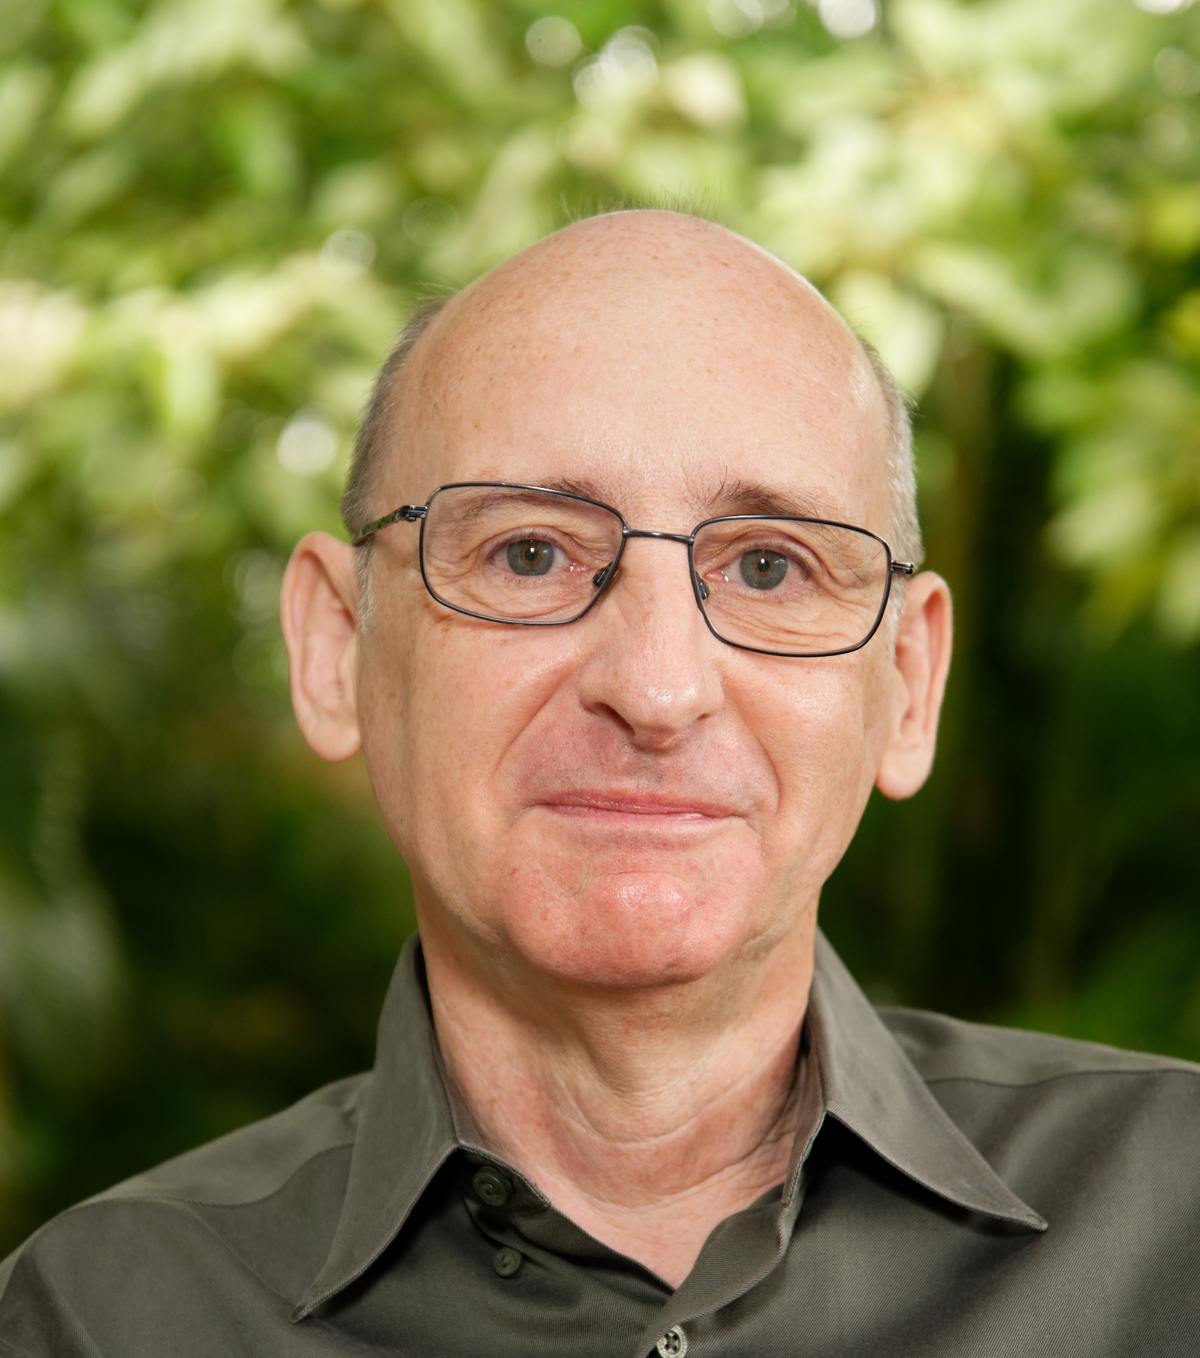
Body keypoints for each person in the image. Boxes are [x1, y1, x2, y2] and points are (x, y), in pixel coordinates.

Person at [1, 210, 1197, 1358]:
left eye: (769, 567)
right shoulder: (98, 1319)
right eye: (530, 553)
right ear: (337, 649)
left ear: (908, 683)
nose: (658, 687)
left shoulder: (1174, 1222)